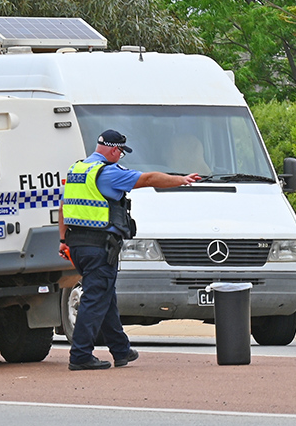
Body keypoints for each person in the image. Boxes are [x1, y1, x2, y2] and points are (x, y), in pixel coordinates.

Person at [59, 129, 202, 370]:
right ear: (115, 150)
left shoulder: (78, 169)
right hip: (99, 247)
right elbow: (148, 179)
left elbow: (63, 207)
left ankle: (120, 350)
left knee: (105, 297)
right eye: (122, 152)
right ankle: (80, 355)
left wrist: (63, 240)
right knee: (95, 299)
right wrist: (180, 180)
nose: (121, 156)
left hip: (77, 244)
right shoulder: (108, 172)